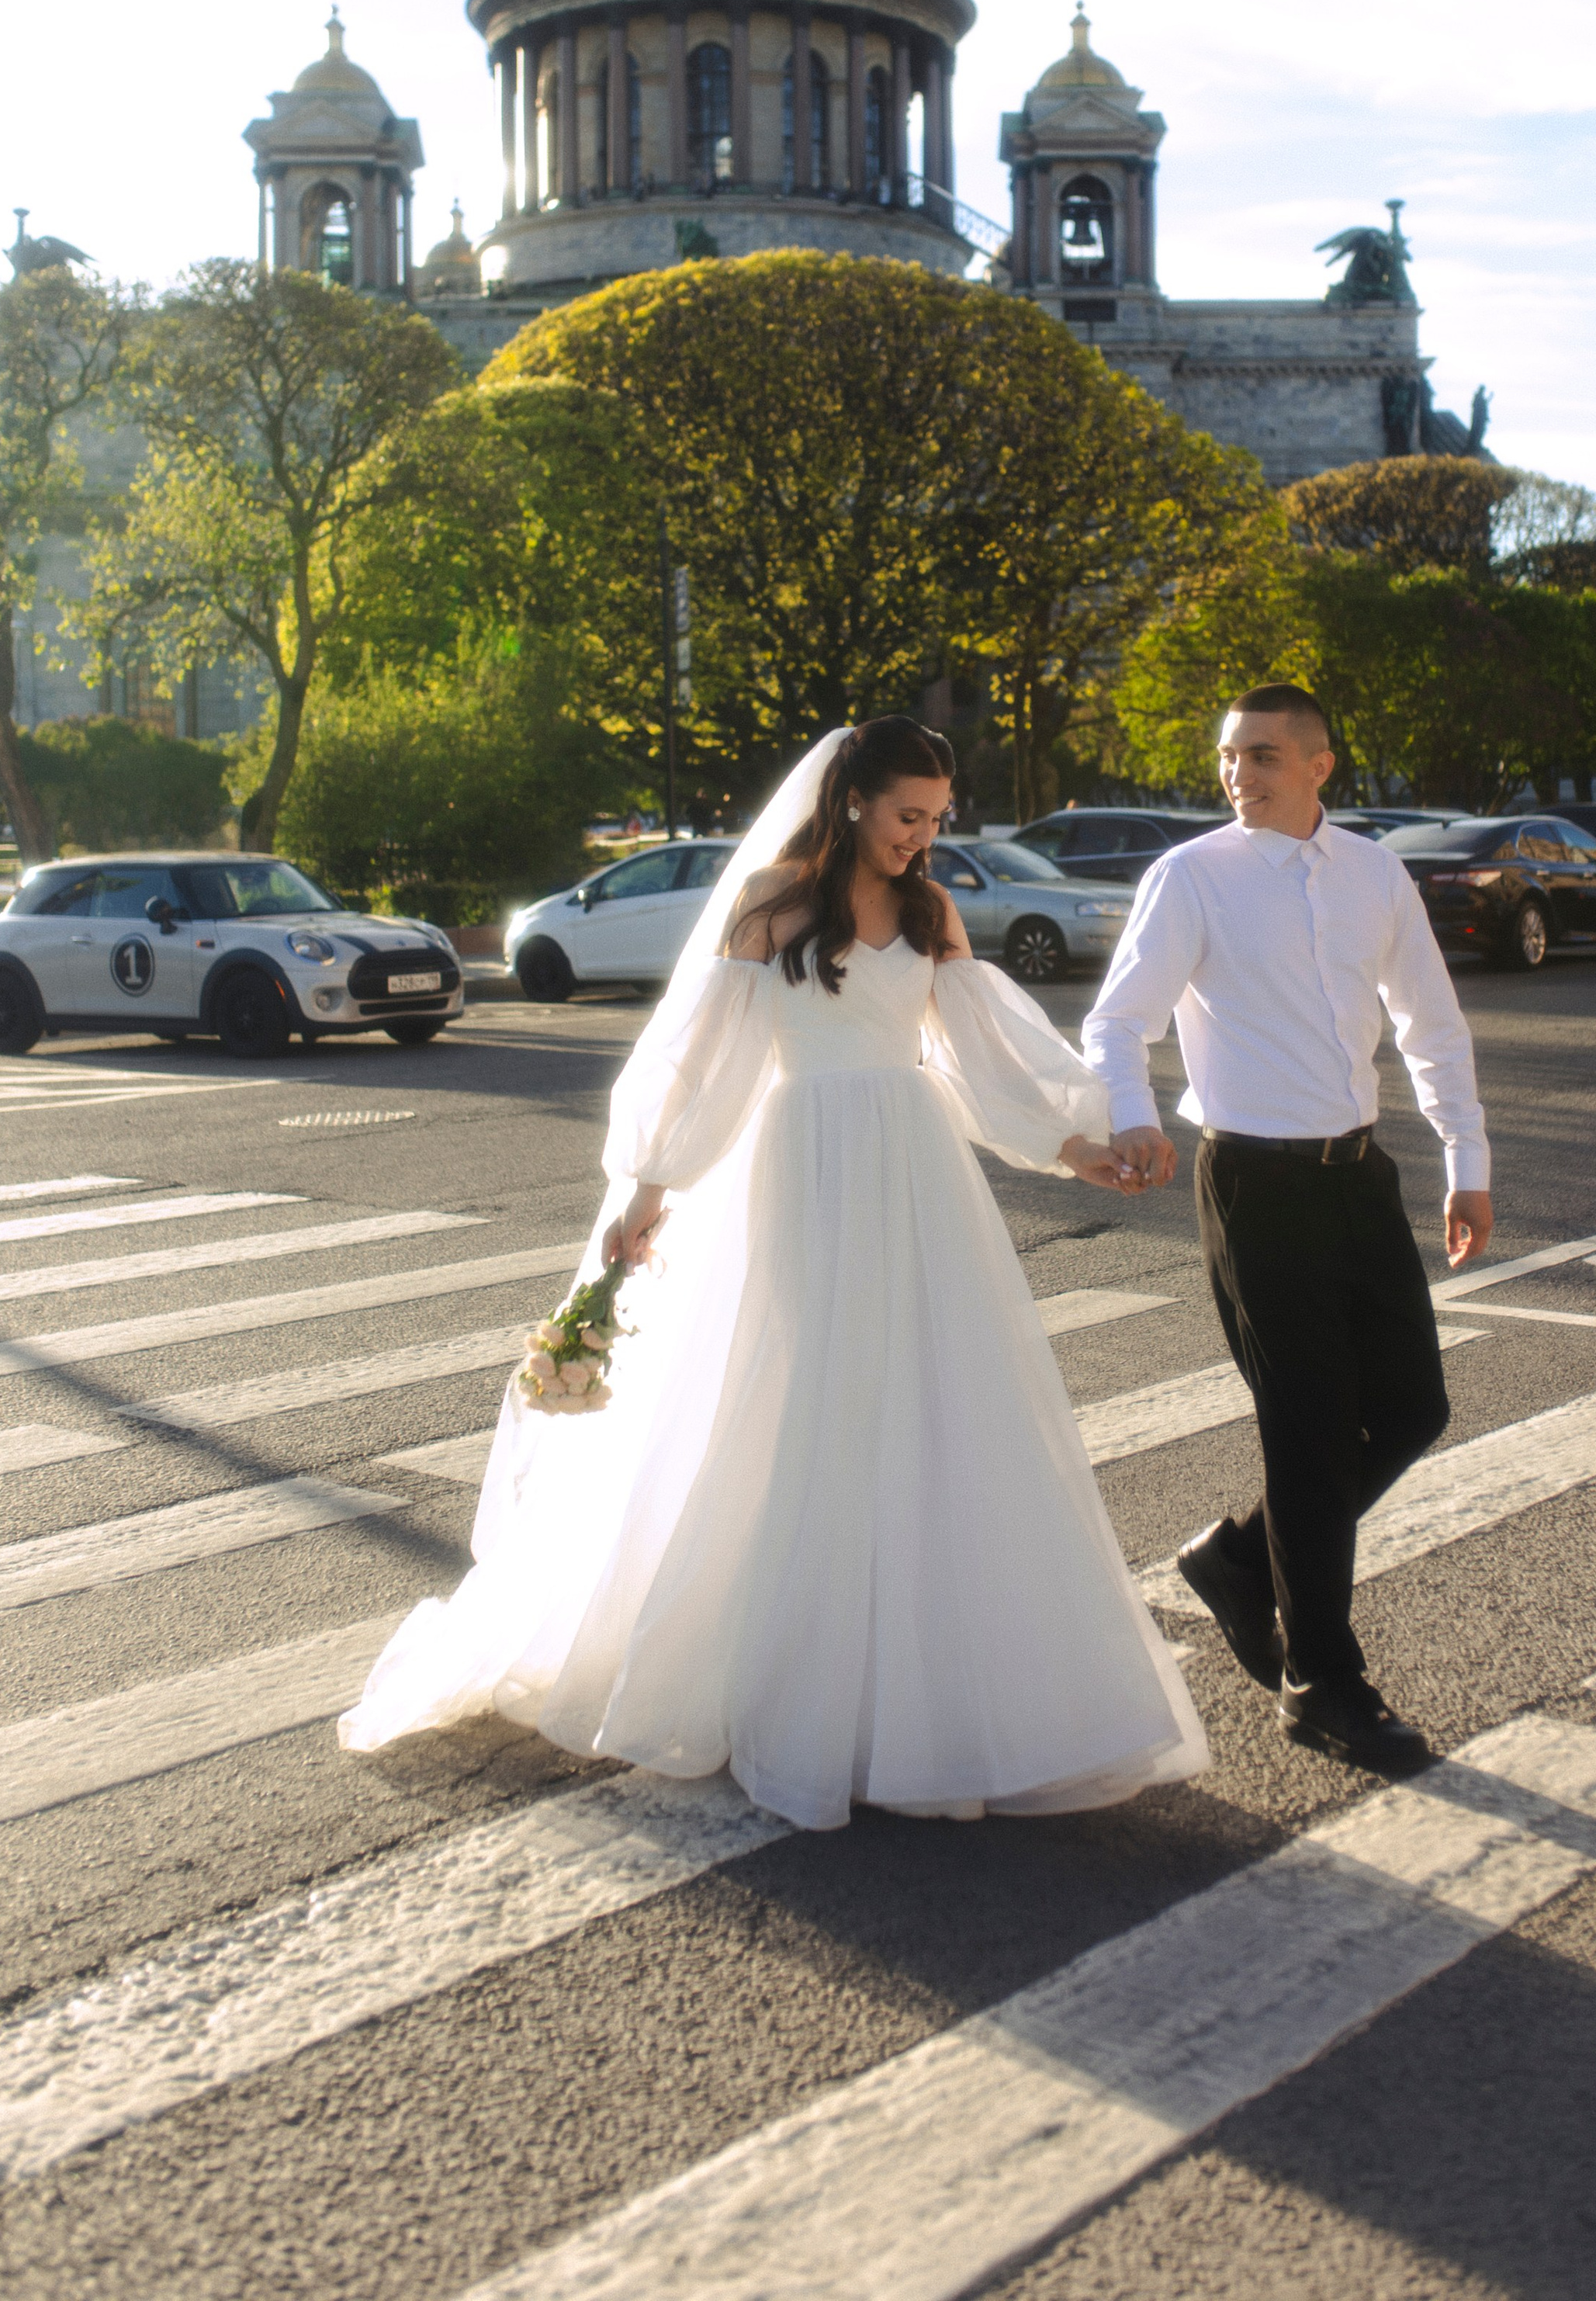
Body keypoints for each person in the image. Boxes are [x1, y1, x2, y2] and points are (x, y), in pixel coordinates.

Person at [341, 716, 1208, 1829]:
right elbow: (712, 1060)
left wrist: (1078, 1147)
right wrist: (653, 1185)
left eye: (938, 819)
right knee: (800, 1402)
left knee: (934, 1403)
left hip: (914, 1173)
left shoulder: (932, 912)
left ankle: (936, 1691)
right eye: (908, 815)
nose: (923, 837)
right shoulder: (771, 911)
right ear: (851, 801)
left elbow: (987, 1060)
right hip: (797, 1173)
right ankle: (784, 1678)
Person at [1082, 683, 1493, 1776]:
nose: (1239, 774)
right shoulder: (1193, 879)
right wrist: (1130, 1115)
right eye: (1228, 757)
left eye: (1263, 755)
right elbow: (1119, 1021)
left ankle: (1239, 1563)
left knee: (1412, 1407)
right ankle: (1322, 1682)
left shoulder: (1374, 872)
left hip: (1358, 1178)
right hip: (1254, 1185)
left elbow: (1430, 1025)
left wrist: (1467, 1163)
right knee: (1308, 1433)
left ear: (1320, 764)